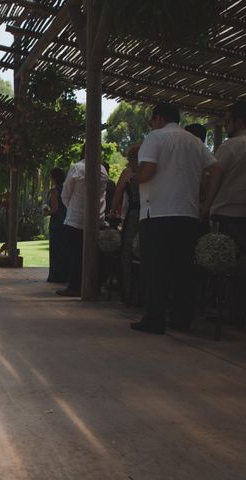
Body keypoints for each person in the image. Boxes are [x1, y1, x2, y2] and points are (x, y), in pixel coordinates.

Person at [132, 103, 221, 334]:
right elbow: (217, 169)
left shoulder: (155, 137)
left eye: (152, 120)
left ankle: (154, 318)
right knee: (183, 270)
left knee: (155, 269)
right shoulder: (194, 141)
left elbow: (148, 169)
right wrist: (207, 203)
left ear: (158, 118)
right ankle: (181, 319)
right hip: (188, 213)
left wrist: (135, 177)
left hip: (157, 212)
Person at [204, 101, 246, 325]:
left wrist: (206, 207)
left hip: (226, 212)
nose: (226, 124)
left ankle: (223, 307)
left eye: (228, 120)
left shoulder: (230, 146)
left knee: (220, 263)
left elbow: (215, 179)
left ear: (239, 121)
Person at [57, 145, 109, 297]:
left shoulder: (77, 168)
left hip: (76, 219)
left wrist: (72, 208)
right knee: (94, 255)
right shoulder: (103, 170)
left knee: (74, 255)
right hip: (97, 218)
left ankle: (75, 285)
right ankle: (94, 284)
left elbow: (66, 193)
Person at [111, 144, 141, 305]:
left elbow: (118, 193)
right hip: (151, 214)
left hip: (134, 214)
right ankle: (141, 294)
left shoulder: (129, 173)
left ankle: (128, 293)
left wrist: (112, 211)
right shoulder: (153, 170)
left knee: (127, 253)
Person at [44, 167, 68, 283]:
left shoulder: (54, 191)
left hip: (57, 222)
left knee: (55, 249)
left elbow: (55, 209)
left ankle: (55, 275)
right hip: (66, 221)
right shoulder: (66, 189)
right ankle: (64, 275)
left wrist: (46, 212)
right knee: (63, 249)